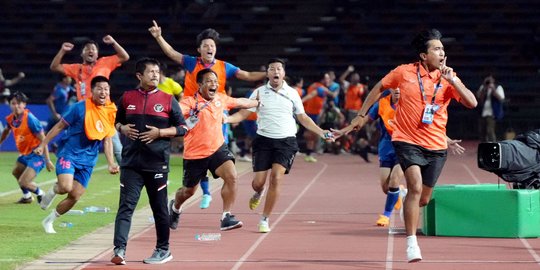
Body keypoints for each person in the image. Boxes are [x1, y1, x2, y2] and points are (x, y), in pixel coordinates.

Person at [355, 29, 477, 263]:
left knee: (423, 198)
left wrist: (452, 81)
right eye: (436, 49)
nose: (442, 52)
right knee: (415, 186)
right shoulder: (403, 72)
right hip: (406, 140)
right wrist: (361, 115)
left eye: (442, 49)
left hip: (436, 144)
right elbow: (378, 88)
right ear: (423, 55)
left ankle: (407, 204)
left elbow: (472, 102)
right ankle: (412, 243)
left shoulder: (449, 77)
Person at [149, 20, 266, 209]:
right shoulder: (190, 62)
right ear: (199, 50)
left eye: (212, 45)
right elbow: (171, 53)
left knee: (218, 153)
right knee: (199, 153)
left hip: (216, 112)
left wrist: (267, 74)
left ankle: (222, 210)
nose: (209, 48)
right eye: (206, 45)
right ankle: (198, 190)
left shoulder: (223, 66)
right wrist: (159, 37)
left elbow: (247, 75)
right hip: (192, 113)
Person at [226, 58, 333, 233]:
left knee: (276, 178)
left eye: (279, 69)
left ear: (283, 73)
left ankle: (264, 219)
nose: (275, 71)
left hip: (286, 142)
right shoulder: (259, 92)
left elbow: (303, 117)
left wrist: (322, 132)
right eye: (272, 69)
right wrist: (228, 119)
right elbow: (244, 112)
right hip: (263, 140)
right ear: (267, 73)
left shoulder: (292, 93)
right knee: (258, 183)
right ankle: (259, 192)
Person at [336, 89, 465, 227]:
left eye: (400, 89)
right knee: (386, 187)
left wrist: (447, 139)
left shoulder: (410, 105)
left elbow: (429, 125)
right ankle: (399, 192)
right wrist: (344, 131)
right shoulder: (381, 104)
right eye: (395, 89)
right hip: (386, 148)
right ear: (390, 90)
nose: (397, 91)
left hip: (406, 148)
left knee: (394, 179)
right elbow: (364, 120)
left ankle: (386, 215)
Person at [111, 58, 188, 265]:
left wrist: (160, 133)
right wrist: (122, 128)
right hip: (131, 164)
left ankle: (163, 249)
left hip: (156, 163)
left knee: (159, 208)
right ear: (139, 76)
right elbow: (116, 120)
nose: (155, 75)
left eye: (157, 71)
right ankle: (120, 250)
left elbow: (183, 128)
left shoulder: (168, 99)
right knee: (126, 207)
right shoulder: (127, 98)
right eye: (151, 72)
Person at [168, 68, 259, 233]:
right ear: (200, 84)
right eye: (209, 81)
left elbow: (241, 102)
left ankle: (226, 216)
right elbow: (175, 114)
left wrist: (259, 102)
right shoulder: (188, 103)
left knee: (232, 177)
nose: (214, 84)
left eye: (216, 82)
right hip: (194, 154)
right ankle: (175, 207)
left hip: (217, 148)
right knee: (188, 192)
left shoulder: (220, 98)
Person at [35, 76, 119, 234]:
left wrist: (110, 163)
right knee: (65, 187)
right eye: (99, 88)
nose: (103, 92)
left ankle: (49, 221)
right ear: (92, 90)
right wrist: (43, 144)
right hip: (70, 154)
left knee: (75, 196)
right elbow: (59, 126)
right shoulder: (79, 108)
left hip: (88, 161)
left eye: (106, 89)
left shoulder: (109, 111)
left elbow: (107, 140)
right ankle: (54, 191)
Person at [50, 35, 129, 163]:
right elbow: (54, 67)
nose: (90, 50)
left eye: (93, 49)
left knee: (115, 145)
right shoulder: (76, 68)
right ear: (82, 54)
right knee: (73, 141)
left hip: (104, 111)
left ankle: (126, 175)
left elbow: (125, 57)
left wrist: (114, 42)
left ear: (97, 54)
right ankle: (65, 168)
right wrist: (63, 51)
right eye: (87, 49)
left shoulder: (105, 62)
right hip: (84, 112)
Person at [0, 91, 54, 204]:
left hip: (37, 156)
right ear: (10, 104)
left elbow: (44, 140)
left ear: (24, 104)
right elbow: (6, 131)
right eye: (13, 103)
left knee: (23, 182)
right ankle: (27, 196)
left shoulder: (30, 119)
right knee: (16, 172)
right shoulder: (11, 119)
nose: (16, 106)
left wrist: (48, 160)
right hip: (25, 154)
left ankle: (42, 194)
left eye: (19, 103)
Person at [301, 72, 336, 162]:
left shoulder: (314, 85)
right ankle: (308, 153)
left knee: (313, 135)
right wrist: (300, 101)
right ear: (322, 80)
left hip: (311, 113)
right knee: (312, 135)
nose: (329, 80)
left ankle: (309, 153)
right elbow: (311, 95)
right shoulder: (320, 88)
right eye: (327, 78)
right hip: (312, 115)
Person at [45, 75, 75, 151]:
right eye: (68, 78)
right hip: (58, 116)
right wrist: (54, 113)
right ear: (64, 79)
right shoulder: (59, 89)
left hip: (62, 116)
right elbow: (49, 100)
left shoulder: (68, 88)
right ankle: (57, 144)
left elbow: (75, 92)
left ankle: (34, 148)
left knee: (45, 134)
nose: (70, 79)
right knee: (73, 130)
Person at [476, 74, 505, 142]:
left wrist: (493, 89)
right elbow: (479, 97)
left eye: (490, 79)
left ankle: (493, 147)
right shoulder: (483, 87)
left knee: (490, 131)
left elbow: (501, 98)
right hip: (482, 112)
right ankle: (483, 147)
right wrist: (484, 88)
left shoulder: (498, 87)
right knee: (482, 132)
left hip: (492, 113)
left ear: (493, 80)